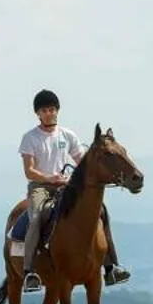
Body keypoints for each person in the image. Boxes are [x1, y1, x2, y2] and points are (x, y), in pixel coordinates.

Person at [18, 89, 129, 291]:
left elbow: (82, 163)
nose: (49, 113)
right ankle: (30, 271)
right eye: (44, 110)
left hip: (67, 185)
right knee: (37, 217)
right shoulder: (30, 138)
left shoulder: (67, 135)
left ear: (57, 110)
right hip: (41, 187)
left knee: (100, 211)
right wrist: (50, 178)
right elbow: (29, 171)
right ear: (38, 113)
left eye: (52, 109)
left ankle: (111, 266)